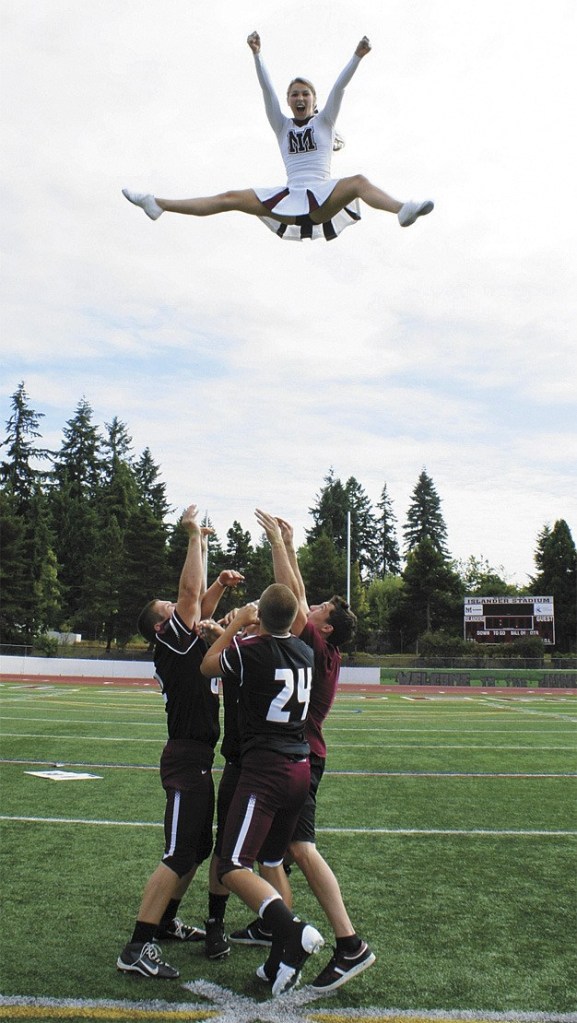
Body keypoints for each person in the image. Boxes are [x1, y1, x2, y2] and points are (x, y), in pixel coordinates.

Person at [230, 509, 375, 992]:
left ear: (325, 629)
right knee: (275, 853)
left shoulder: (311, 643)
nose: (312, 609)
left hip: (297, 757)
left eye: (321, 611)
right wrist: (289, 548)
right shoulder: (322, 648)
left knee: (299, 850)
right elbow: (301, 597)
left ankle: (349, 943)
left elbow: (291, 599)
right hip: (301, 758)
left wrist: (277, 544)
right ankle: (273, 926)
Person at [122, 31, 433, 242]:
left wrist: (357, 56)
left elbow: (340, 88)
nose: (300, 98)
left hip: (321, 199)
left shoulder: (325, 122)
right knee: (228, 198)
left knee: (359, 183)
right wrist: (257, 55)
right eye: (294, 94)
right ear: (288, 101)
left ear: (314, 100)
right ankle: (157, 204)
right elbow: (266, 90)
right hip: (287, 202)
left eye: (305, 94)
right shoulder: (282, 126)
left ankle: (401, 209)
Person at [116, 504, 243, 979]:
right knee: (177, 854)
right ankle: (137, 947)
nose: (178, 609)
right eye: (168, 610)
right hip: (186, 757)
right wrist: (192, 536)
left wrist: (217, 579)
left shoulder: (181, 638)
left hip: (197, 757)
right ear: (160, 627)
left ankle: (165, 921)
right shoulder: (170, 639)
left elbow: (198, 605)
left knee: (195, 848)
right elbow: (190, 597)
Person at [199, 585, 325, 997]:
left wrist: (236, 623)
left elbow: (208, 666)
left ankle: (292, 932)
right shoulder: (304, 651)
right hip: (299, 766)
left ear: (260, 617)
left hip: (264, 768)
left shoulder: (250, 650)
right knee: (272, 861)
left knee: (232, 865)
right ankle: (279, 959)